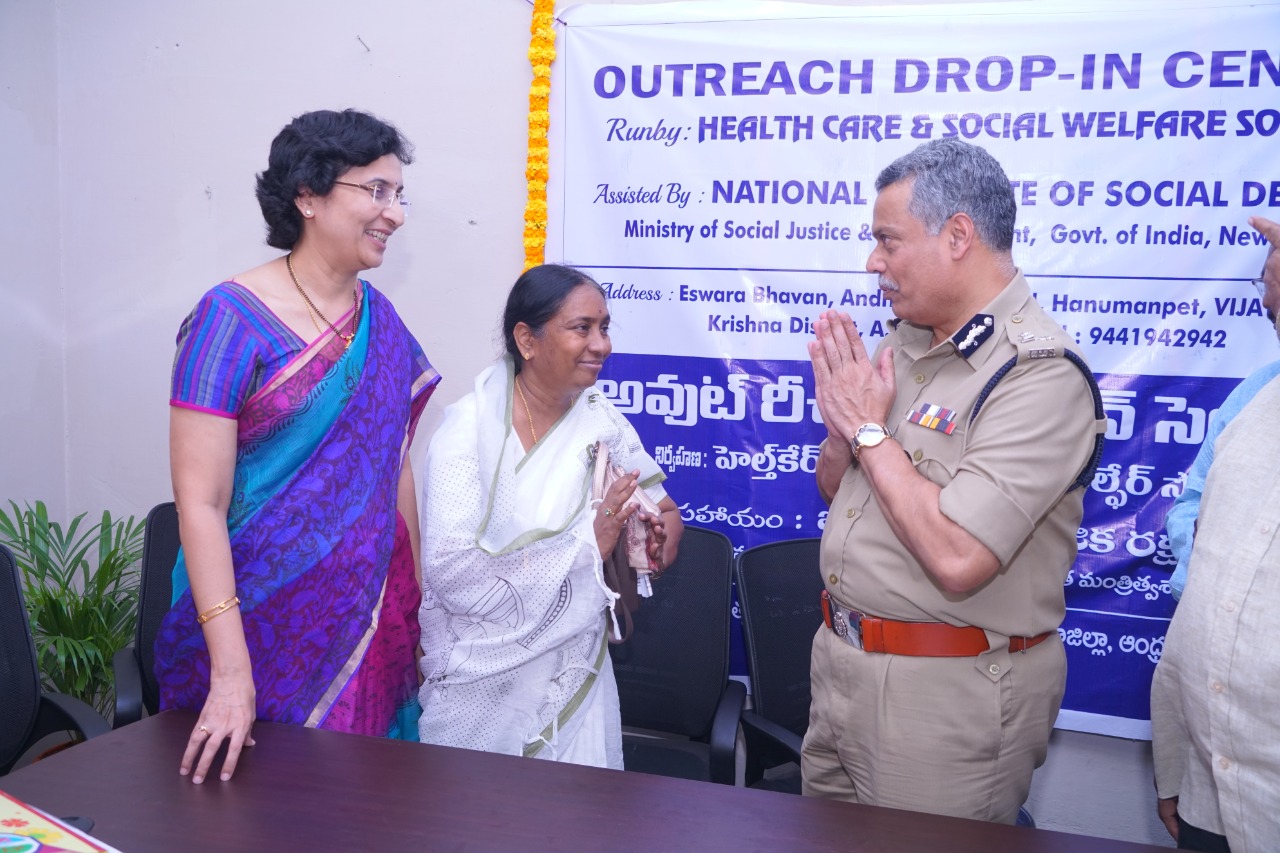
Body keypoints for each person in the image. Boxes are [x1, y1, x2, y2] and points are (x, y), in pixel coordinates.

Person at [802, 138, 1106, 822]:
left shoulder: (1040, 374)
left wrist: (869, 431)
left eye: (888, 240)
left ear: (958, 235)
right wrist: (844, 430)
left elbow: (958, 556)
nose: (873, 261)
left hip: (944, 696)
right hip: (841, 669)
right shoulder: (905, 343)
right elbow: (840, 495)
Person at [154, 109, 439, 785]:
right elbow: (200, 502)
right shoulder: (229, 319)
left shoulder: (382, 323)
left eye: (400, 194)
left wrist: (412, 606)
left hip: (365, 632)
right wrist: (231, 674)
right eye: (376, 191)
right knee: (247, 815)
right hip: (248, 632)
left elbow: (393, 467)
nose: (395, 213)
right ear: (308, 196)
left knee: (362, 813)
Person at [417, 263, 683, 768]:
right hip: (479, 688)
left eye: (604, 327)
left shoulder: (600, 420)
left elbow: (666, 511)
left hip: (575, 674)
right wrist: (590, 543)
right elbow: (451, 573)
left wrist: (649, 545)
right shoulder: (466, 433)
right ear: (527, 340)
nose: (601, 345)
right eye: (582, 328)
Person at [1151, 215, 1280, 853]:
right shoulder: (1257, 395)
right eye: (1268, 289)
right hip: (1208, 769)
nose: (1269, 304)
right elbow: (1190, 514)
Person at [1164, 215, 1280, 599]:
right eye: (1265, 281)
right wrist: (1213, 552)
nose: (1267, 300)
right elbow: (1189, 505)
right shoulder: (1255, 391)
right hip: (1206, 613)